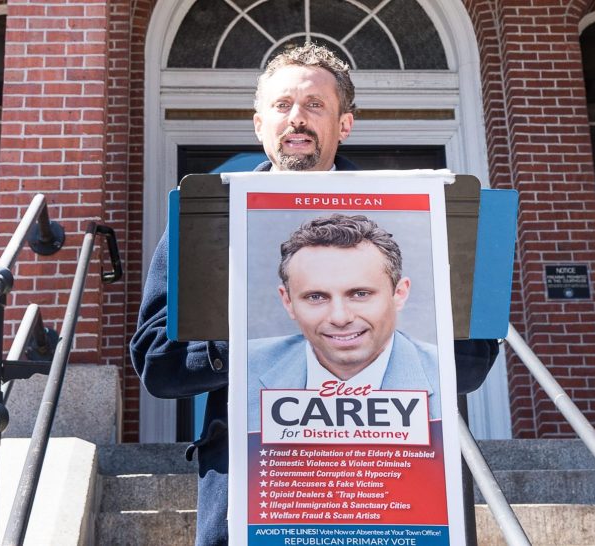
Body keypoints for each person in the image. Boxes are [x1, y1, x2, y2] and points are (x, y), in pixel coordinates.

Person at [130, 43, 497, 546]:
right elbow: (157, 365)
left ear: (345, 123)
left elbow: (473, 365)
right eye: (282, 106)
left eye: (314, 106)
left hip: (390, 494)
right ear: (259, 123)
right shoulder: (203, 222)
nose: (296, 120)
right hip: (257, 492)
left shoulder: (413, 217)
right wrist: (246, 336)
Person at [248, 214, 441, 432]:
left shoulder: (444, 374)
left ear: (399, 294)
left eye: (360, 294)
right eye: (316, 297)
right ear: (288, 301)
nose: (340, 318)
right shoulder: (243, 371)